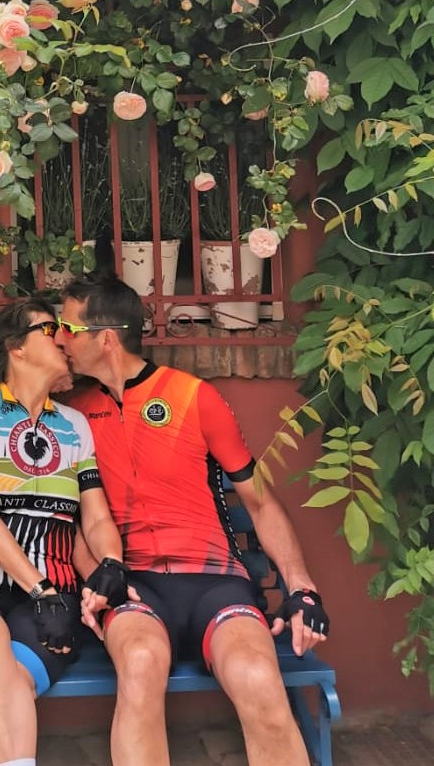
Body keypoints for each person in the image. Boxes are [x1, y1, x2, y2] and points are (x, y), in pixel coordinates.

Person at [56, 274, 330, 766]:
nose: (59, 340)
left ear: (106, 338)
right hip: (133, 585)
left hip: (215, 581)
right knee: (139, 666)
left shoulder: (193, 396)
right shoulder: (72, 414)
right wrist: (97, 574)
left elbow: (261, 503)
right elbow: (67, 516)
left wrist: (301, 588)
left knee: (257, 676)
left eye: (67, 329)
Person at [0, 296, 130, 766]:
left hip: (56, 600)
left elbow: (95, 518)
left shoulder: (75, 426)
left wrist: (111, 566)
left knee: (4, 687)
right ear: (15, 347)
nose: (62, 338)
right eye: (49, 329)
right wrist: (41, 590)